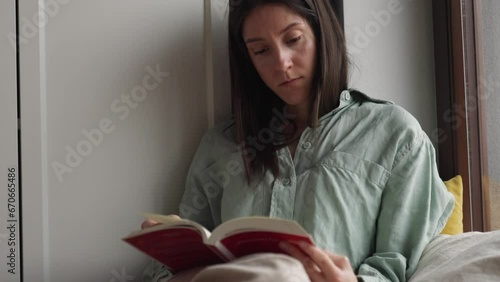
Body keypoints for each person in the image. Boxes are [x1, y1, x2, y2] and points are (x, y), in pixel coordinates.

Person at [142, 0, 455, 281]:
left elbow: (397, 264)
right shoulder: (219, 146)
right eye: (261, 51)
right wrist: (170, 245)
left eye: (293, 39)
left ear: (321, 34)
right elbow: (165, 270)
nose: (281, 63)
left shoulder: (396, 135)